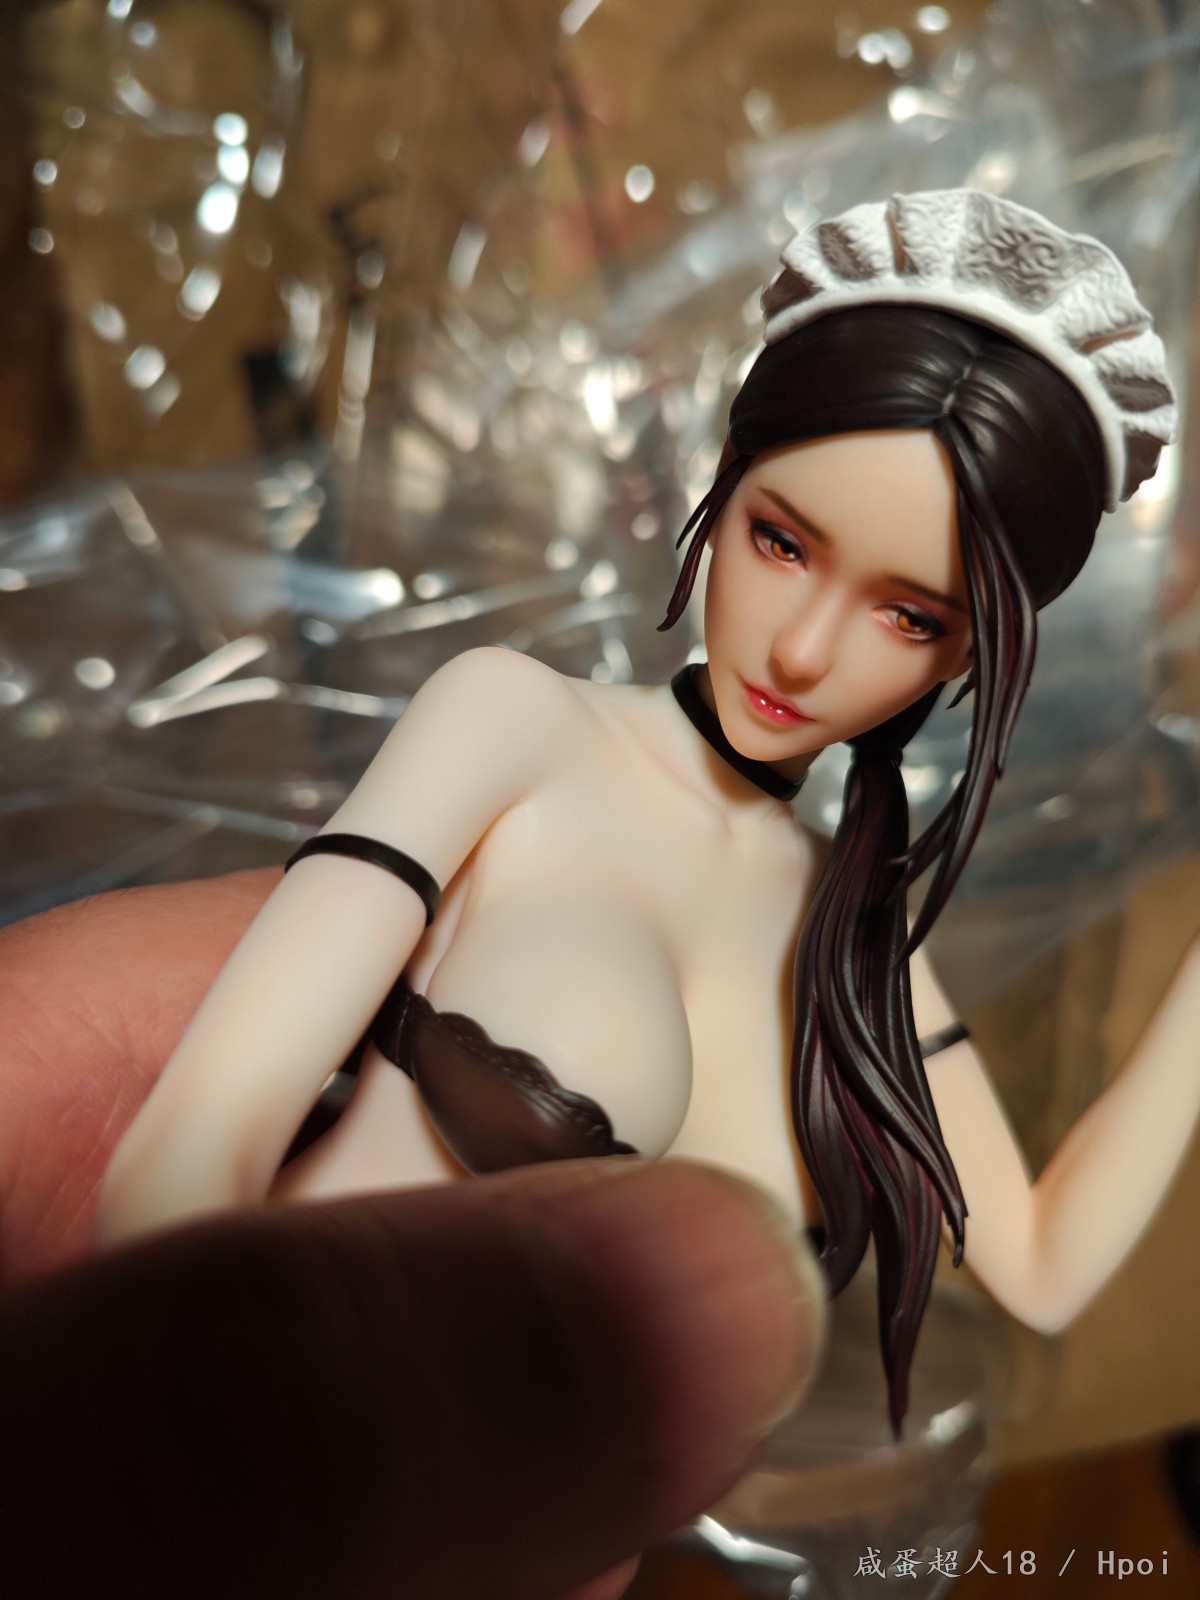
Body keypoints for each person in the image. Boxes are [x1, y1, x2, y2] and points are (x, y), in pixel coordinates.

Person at [96, 191, 1196, 1434]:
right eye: (782, 542)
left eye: (909, 615)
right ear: (725, 486)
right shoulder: (513, 724)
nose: (806, 649)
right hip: (267, 1431)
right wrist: (164, 1433)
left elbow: (1040, 1267)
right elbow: (192, 1148)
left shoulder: (860, 933)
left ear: (967, 657)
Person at [0, 874, 826, 1600]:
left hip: (485, 1451)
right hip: (282, 1354)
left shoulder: (805, 898)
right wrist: (175, 1295)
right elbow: (221, 1097)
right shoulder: (527, 761)